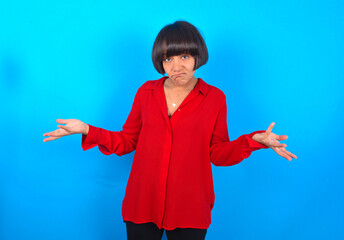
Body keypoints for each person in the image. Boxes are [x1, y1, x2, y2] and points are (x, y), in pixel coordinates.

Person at [43, 21, 297, 240]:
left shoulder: (215, 98)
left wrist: (254, 141)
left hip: (190, 207)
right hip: (143, 202)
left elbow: (218, 153)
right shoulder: (146, 93)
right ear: (161, 62)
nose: (177, 66)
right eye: (168, 59)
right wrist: (87, 129)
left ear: (197, 55)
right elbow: (127, 140)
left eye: (184, 56)